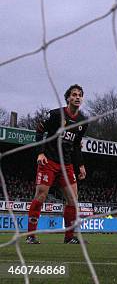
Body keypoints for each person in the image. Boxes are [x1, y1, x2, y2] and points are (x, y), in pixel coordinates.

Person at [26, 84, 88, 244]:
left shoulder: (83, 121)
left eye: (79, 95)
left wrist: (80, 165)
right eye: (74, 94)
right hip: (49, 160)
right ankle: (31, 235)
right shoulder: (55, 115)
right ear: (68, 98)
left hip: (66, 164)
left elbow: (76, 145)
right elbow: (39, 131)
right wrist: (40, 152)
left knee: (73, 199)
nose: (77, 97)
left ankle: (69, 237)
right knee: (41, 195)